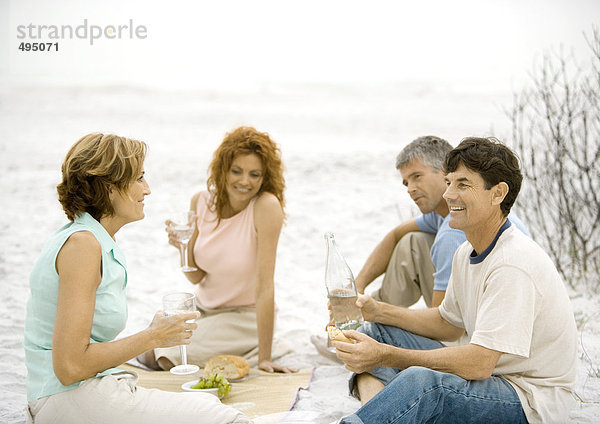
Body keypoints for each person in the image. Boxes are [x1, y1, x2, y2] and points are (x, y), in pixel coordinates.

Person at [333, 137, 577, 424]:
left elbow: (478, 365)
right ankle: (380, 412)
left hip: (527, 398)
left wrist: (385, 356)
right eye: (448, 182)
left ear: (498, 193)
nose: (449, 194)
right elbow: (447, 324)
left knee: (422, 382)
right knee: (375, 332)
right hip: (494, 376)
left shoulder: (513, 263)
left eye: (462, 184)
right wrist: (378, 310)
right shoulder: (467, 249)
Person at [23, 133, 251, 424]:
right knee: (227, 418)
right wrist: (153, 336)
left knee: (204, 400)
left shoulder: (92, 239)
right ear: (109, 189)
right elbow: (69, 366)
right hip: (67, 399)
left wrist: (154, 335)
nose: (148, 189)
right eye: (139, 178)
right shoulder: (83, 245)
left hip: (80, 392)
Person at [139, 126, 295, 374]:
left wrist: (265, 359)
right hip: (203, 309)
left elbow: (266, 285)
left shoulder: (265, 207)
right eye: (237, 171)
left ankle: (259, 348)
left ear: (265, 177)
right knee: (148, 348)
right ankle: (236, 348)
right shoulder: (200, 201)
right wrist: (182, 247)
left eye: (255, 174)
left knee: (165, 356)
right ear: (223, 170)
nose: (245, 181)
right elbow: (196, 276)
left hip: (244, 316)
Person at [355, 135, 528, 308]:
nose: (410, 189)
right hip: (478, 306)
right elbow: (395, 235)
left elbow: (441, 326)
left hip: (489, 320)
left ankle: (370, 319)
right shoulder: (449, 213)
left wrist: (381, 315)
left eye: (417, 176)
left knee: (383, 328)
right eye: (406, 183)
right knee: (412, 243)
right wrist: (357, 287)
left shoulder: (453, 232)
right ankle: (366, 310)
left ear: (446, 172)